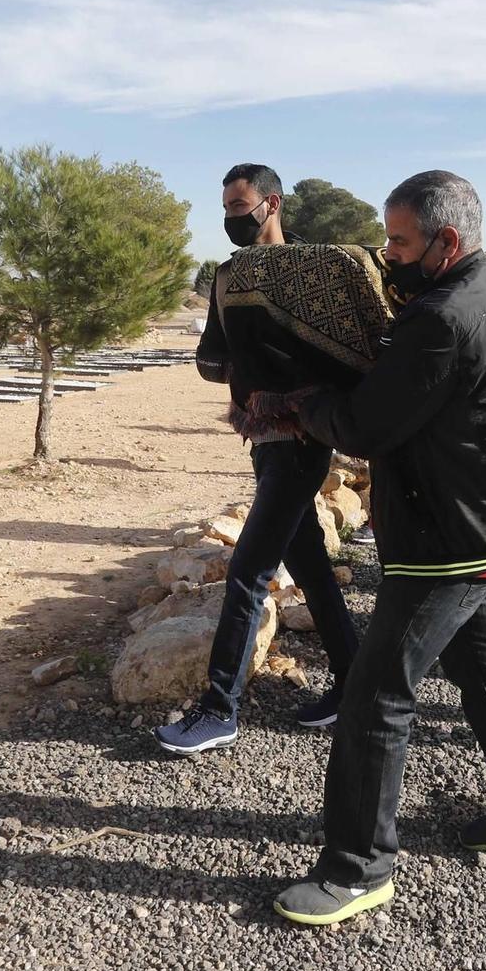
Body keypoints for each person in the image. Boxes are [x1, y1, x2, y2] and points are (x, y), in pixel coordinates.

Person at [271, 171, 486, 927]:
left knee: (376, 695)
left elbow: (369, 424)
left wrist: (303, 403)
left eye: (399, 243)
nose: (387, 255)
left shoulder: (442, 316)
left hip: (451, 535)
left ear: (447, 241)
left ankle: (356, 868)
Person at [157, 164, 361, 755]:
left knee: (248, 570)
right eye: (224, 209)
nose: (230, 219)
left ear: (271, 203)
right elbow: (208, 355)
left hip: (303, 440)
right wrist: (243, 368)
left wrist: (289, 376)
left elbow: (346, 350)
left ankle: (219, 708)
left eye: (239, 206)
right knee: (314, 570)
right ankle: (353, 682)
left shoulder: (316, 269)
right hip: (261, 438)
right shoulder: (227, 276)